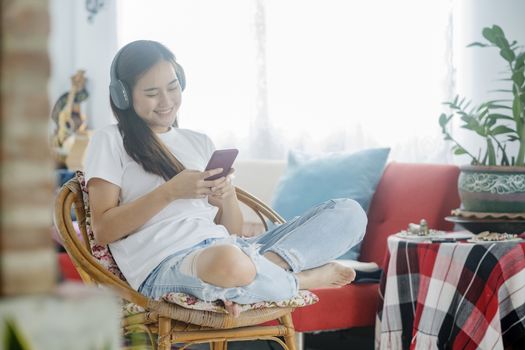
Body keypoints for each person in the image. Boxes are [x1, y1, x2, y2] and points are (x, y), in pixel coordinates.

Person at [85, 40, 367, 317]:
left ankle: (252, 277)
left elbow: (229, 232)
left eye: (172, 87)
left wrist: (227, 197)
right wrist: (169, 192)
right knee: (230, 262)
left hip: (230, 251)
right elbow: (104, 230)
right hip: (165, 264)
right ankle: (298, 280)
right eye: (151, 93)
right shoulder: (109, 140)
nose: (167, 101)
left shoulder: (199, 142)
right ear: (123, 95)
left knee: (349, 213)